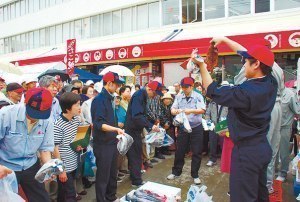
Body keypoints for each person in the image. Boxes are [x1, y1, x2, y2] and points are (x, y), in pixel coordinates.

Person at [195, 37, 277, 201]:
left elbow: (213, 91)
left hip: (247, 153)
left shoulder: (246, 92)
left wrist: (202, 66)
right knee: (261, 195)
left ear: (256, 64)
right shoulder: (270, 80)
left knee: (243, 197)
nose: (243, 64)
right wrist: (224, 39)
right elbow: (242, 50)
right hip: (262, 148)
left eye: (246, 62)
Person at [233, 38, 284, 193]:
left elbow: (239, 85)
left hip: (264, 108)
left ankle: (260, 185)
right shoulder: (277, 67)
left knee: (259, 146)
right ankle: (268, 184)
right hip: (277, 106)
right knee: (272, 146)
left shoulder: (257, 65)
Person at [0, 87, 54, 202]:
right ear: (25, 102)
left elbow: (45, 149)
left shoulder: (47, 120)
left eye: (41, 114)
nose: (36, 118)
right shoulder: (6, 114)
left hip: (30, 165)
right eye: (33, 114)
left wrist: (48, 167)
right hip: (6, 165)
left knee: (42, 199)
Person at [91, 72, 125, 202]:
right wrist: (116, 129)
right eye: (117, 84)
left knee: (112, 173)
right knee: (103, 175)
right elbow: (99, 124)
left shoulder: (111, 98)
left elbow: (111, 119)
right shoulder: (99, 100)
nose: (118, 87)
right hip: (103, 143)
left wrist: (118, 129)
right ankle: (101, 199)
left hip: (112, 141)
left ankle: (111, 197)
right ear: (109, 83)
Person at [167, 77, 206, 185]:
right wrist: (175, 111)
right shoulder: (179, 97)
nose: (184, 89)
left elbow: (202, 110)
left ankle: (195, 174)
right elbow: (173, 109)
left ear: (192, 86)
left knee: (197, 151)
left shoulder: (198, 96)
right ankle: (176, 172)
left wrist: (191, 111)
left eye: (186, 87)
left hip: (196, 127)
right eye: (182, 87)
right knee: (180, 150)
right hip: (183, 127)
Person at [125, 81, 162, 187]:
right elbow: (137, 115)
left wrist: (151, 123)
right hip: (132, 130)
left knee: (136, 154)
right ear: (150, 89)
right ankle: (136, 181)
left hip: (136, 129)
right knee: (135, 155)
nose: (154, 96)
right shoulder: (139, 95)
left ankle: (134, 176)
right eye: (154, 94)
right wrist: (150, 126)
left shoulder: (143, 95)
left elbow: (143, 114)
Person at [53, 92, 82, 202]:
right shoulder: (58, 124)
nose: (80, 107)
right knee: (70, 195)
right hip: (64, 166)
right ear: (68, 108)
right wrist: (61, 170)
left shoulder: (76, 120)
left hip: (74, 162)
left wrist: (78, 146)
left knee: (63, 193)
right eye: (77, 105)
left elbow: (75, 139)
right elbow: (55, 149)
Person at [276, 87, 300, 182]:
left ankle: (283, 172)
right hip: (272, 126)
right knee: (272, 151)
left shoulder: (290, 95)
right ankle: (274, 170)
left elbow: (297, 111)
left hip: (284, 127)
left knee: (284, 151)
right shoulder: (271, 91)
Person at [206, 101, 228, 167]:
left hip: (223, 127)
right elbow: (207, 114)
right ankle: (212, 159)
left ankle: (225, 161)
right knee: (212, 143)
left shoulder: (227, 103)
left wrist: (226, 126)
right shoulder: (212, 103)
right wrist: (209, 124)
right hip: (213, 126)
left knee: (224, 144)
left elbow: (230, 116)